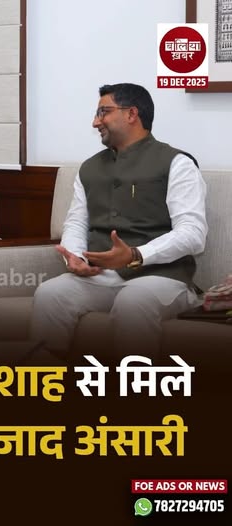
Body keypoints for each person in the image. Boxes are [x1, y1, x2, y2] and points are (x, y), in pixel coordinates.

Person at [29, 83, 207, 360]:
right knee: (50, 293)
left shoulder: (177, 163)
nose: (95, 122)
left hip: (161, 278)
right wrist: (76, 258)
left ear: (131, 114)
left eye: (104, 112)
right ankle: (47, 378)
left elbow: (193, 233)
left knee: (133, 302)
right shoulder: (89, 168)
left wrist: (136, 255)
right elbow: (76, 223)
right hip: (100, 276)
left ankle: (133, 383)